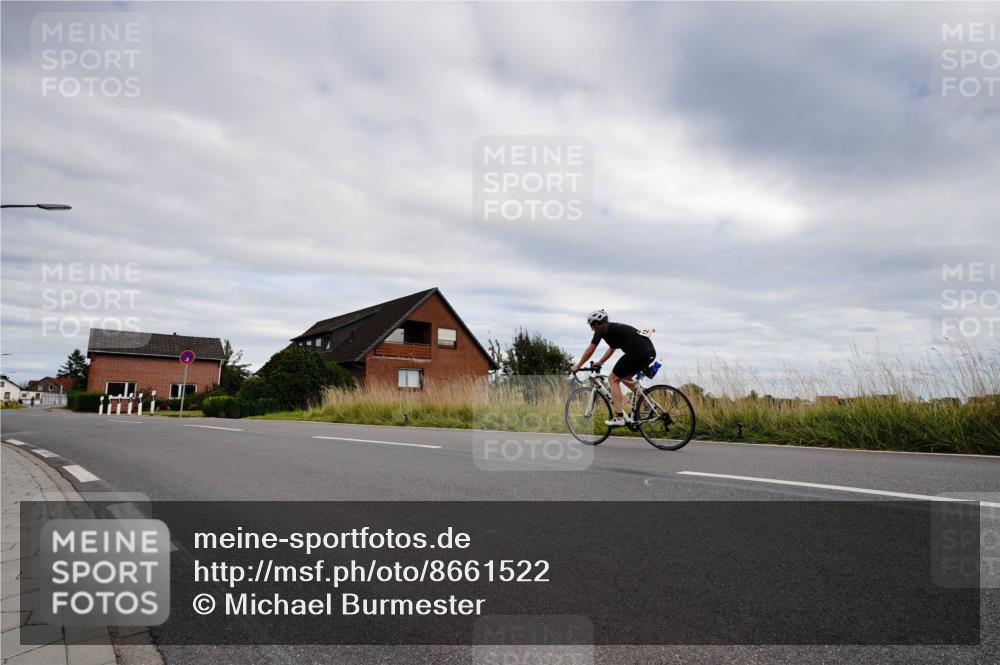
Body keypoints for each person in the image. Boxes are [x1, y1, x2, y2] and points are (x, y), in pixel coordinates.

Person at [569, 309, 656, 427]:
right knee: (626, 377)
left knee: (613, 379)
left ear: (596, 323)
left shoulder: (601, 329)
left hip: (637, 352)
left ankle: (619, 417)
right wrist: (600, 362)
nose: (591, 329)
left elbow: (590, 351)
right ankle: (648, 405)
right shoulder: (612, 329)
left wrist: (577, 366)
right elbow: (611, 349)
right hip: (649, 351)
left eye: (591, 325)